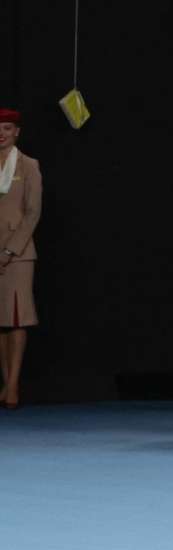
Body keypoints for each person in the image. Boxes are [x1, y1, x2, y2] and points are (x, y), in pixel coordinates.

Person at [0, 108, 41, 410]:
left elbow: (32, 212)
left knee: (16, 319)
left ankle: (14, 385)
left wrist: (9, 250)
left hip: (19, 253)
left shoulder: (28, 165)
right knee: (0, 321)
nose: (2, 133)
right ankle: (5, 382)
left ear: (17, 132)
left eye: (7, 128)